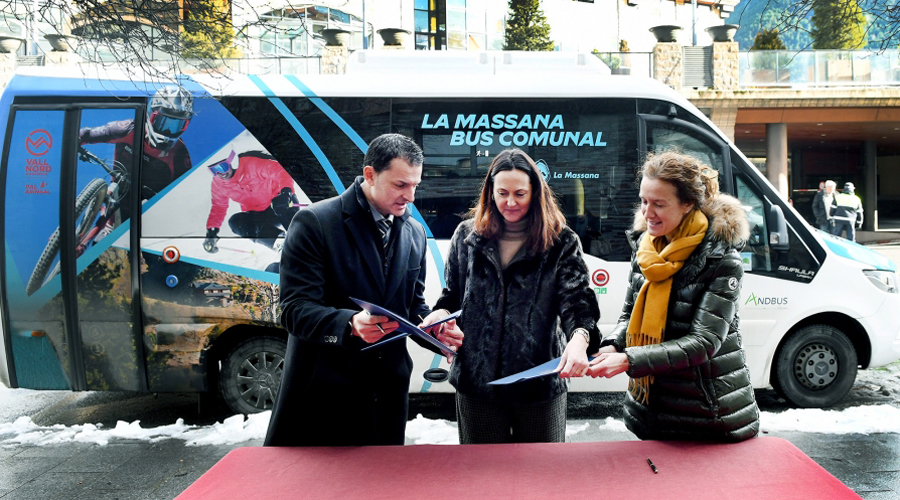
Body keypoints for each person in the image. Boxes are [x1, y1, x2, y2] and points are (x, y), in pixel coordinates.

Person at [264, 133, 463, 447]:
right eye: (400, 185)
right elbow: (293, 310)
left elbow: (411, 308)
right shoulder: (314, 222)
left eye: (415, 185)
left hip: (387, 400)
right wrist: (349, 325)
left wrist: (433, 330)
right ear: (370, 174)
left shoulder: (413, 232)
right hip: (324, 399)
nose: (410, 196)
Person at [585, 151, 759, 442]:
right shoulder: (645, 249)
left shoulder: (721, 258)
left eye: (659, 204)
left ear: (688, 204)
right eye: (643, 201)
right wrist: (614, 345)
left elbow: (704, 343)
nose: (647, 213)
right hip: (652, 412)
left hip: (709, 416)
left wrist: (630, 360)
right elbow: (629, 316)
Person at [431, 148, 601, 444]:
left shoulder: (561, 241)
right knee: (483, 479)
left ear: (536, 192)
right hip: (477, 383)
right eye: (502, 193)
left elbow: (578, 303)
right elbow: (453, 297)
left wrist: (580, 337)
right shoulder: (466, 236)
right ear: (490, 192)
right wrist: (441, 315)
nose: (510, 202)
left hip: (539, 384)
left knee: (541, 480)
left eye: (520, 194)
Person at [79, 86, 193, 204]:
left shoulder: (180, 153)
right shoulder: (126, 129)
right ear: (150, 115)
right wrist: (77, 140)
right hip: (117, 193)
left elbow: (183, 195)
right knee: (106, 219)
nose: (167, 131)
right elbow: (87, 134)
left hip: (152, 207)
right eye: (161, 122)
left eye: (176, 125)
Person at [202, 150, 302, 254]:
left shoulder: (252, 165)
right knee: (235, 222)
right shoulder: (218, 184)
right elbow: (219, 207)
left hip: (280, 203)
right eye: (214, 170)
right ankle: (280, 243)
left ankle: (303, 239)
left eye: (222, 167)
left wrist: (285, 193)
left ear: (233, 162)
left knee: (284, 207)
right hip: (259, 216)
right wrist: (211, 232)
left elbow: (281, 172)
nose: (219, 173)